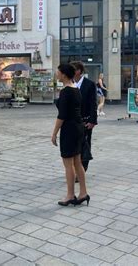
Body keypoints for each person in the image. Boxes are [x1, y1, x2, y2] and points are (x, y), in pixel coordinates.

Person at [51, 64, 89, 207]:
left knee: (68, 164)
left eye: (58, 72)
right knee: (77, 162)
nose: (56, 74)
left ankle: (70, 195)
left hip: (69, 129)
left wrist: (54, 133)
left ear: (64, 75)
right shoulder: (76, 89)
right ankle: (83, 192)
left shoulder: (66, 91)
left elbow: (62, 115)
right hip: (78, 128)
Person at [70, 61, 98, 172]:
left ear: (79, 71)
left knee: (84, 145)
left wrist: (92, 121)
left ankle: (82, 169)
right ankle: (74, 168)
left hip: (85, 121)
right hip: (72, 122)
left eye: (72, 69)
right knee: (73, 146)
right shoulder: (70, 83)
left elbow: (93, 104)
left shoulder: (89, 84)